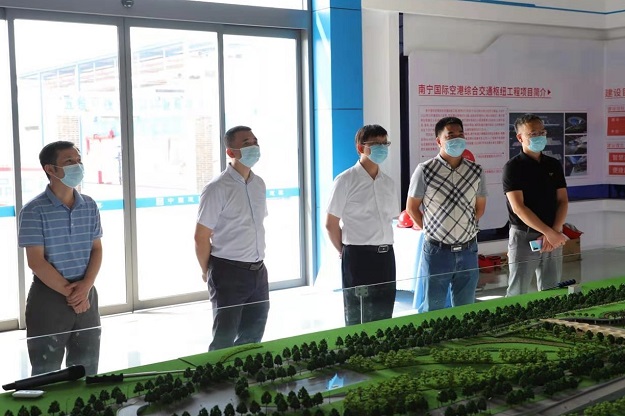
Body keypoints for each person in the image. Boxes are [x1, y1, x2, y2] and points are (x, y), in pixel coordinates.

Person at [18, 141, 103, 376]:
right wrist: (73, 294)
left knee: (86, 369)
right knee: (46, 371)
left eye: (78, 160)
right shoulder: (33, 210)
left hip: (86, 293)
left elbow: (97, 249)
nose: (77, 165)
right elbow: (36, 261)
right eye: (69, 161)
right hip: (49, 296)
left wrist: (85, 288)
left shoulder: (89, 205)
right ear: (50, 169)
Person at [195, 125, 270, 350]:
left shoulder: (259, 184)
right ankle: (218, 373)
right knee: (224, 339)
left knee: (253, 336)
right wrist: (206, 270)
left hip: (258, 271)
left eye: (255, 141)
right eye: (247, 143)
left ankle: (247, 371)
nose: (254, 146)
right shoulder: (217, 188)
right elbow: (201, 236)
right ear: (231, 152)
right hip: (228, 272)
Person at [406, 116, 487, 312]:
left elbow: (480, 208)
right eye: (450, 135)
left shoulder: (476, 171)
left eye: (460, 134)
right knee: (433, 307)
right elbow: (412, 208)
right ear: (438, 141)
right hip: (437, 251)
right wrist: (431, 230)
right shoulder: (425, 170)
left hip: (468, 249)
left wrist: (464, 227)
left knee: (465, 308)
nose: (457, 139)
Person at [326, 124, 399, 326]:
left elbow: (390, 218)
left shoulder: (388, 182)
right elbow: (331, 224)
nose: (382, 148)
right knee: (358, 315)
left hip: (386, 255)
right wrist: (344, 251)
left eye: (385, 143)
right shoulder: (345, 180)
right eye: (376, 144)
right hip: (358, 256)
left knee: (384, 313)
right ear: (360, 148)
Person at [503, 114, 568, 296]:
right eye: (533, 133)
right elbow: (519, 208)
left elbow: (562, 200)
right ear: (520, 137)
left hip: (553, 232)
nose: (539, 136)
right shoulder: (513, 167)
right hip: (524, 236)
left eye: (542, 132)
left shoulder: (553, 164)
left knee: (553, 290)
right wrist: (549, 233)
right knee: (518, 290)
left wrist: (554, 231)